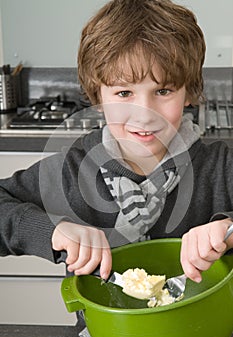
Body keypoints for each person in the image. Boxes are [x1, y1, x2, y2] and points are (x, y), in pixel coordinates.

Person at [0, 0, 233, 286]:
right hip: (104, 332)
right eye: (124, 93)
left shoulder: (222, 166)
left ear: (188, 93)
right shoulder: (73, 170)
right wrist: (52, 231)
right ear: (98, 97)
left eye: (163, 90)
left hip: (207, 331)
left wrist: (229, 229)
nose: (144, 114)